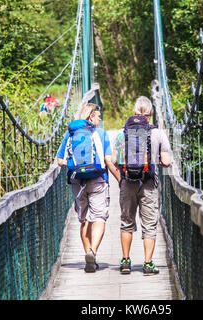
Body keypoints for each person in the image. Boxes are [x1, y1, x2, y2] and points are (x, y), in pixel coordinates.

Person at [56, 103, 120, 273]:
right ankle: (93, 252)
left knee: (84, 220)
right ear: (91, 116)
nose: (100, 119)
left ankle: (87, 256)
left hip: (78, 183)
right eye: (98, 116)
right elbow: (108, 160)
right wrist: (120, 179)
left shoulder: (70, 134)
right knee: (99, 217)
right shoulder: (100, 133)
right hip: (98, 180)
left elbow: (60, 161)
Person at [112, 96, 171, 276]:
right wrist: (159, 160)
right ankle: (147, 264)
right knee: (149, 225)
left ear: (134, 112)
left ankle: (125, 262)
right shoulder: (158, 133)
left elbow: (114, 160)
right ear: (151, 114)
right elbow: (167, 162)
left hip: (128, 183)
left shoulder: (123, 133)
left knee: (126, 222)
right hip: (149, 184)